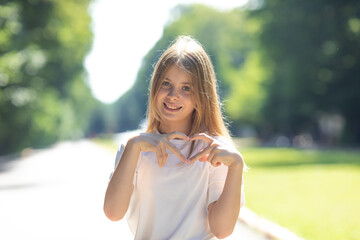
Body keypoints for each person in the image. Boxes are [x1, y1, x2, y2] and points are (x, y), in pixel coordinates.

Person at [104, 36, 245, 240]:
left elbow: (221, 229)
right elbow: (113, 212)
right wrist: (133, 147)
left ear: (201, 95)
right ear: (154, 87)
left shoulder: (216, 150)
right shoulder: (134, 147)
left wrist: (237, 166)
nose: (173, 95)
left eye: (186, 88)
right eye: (166, 83)